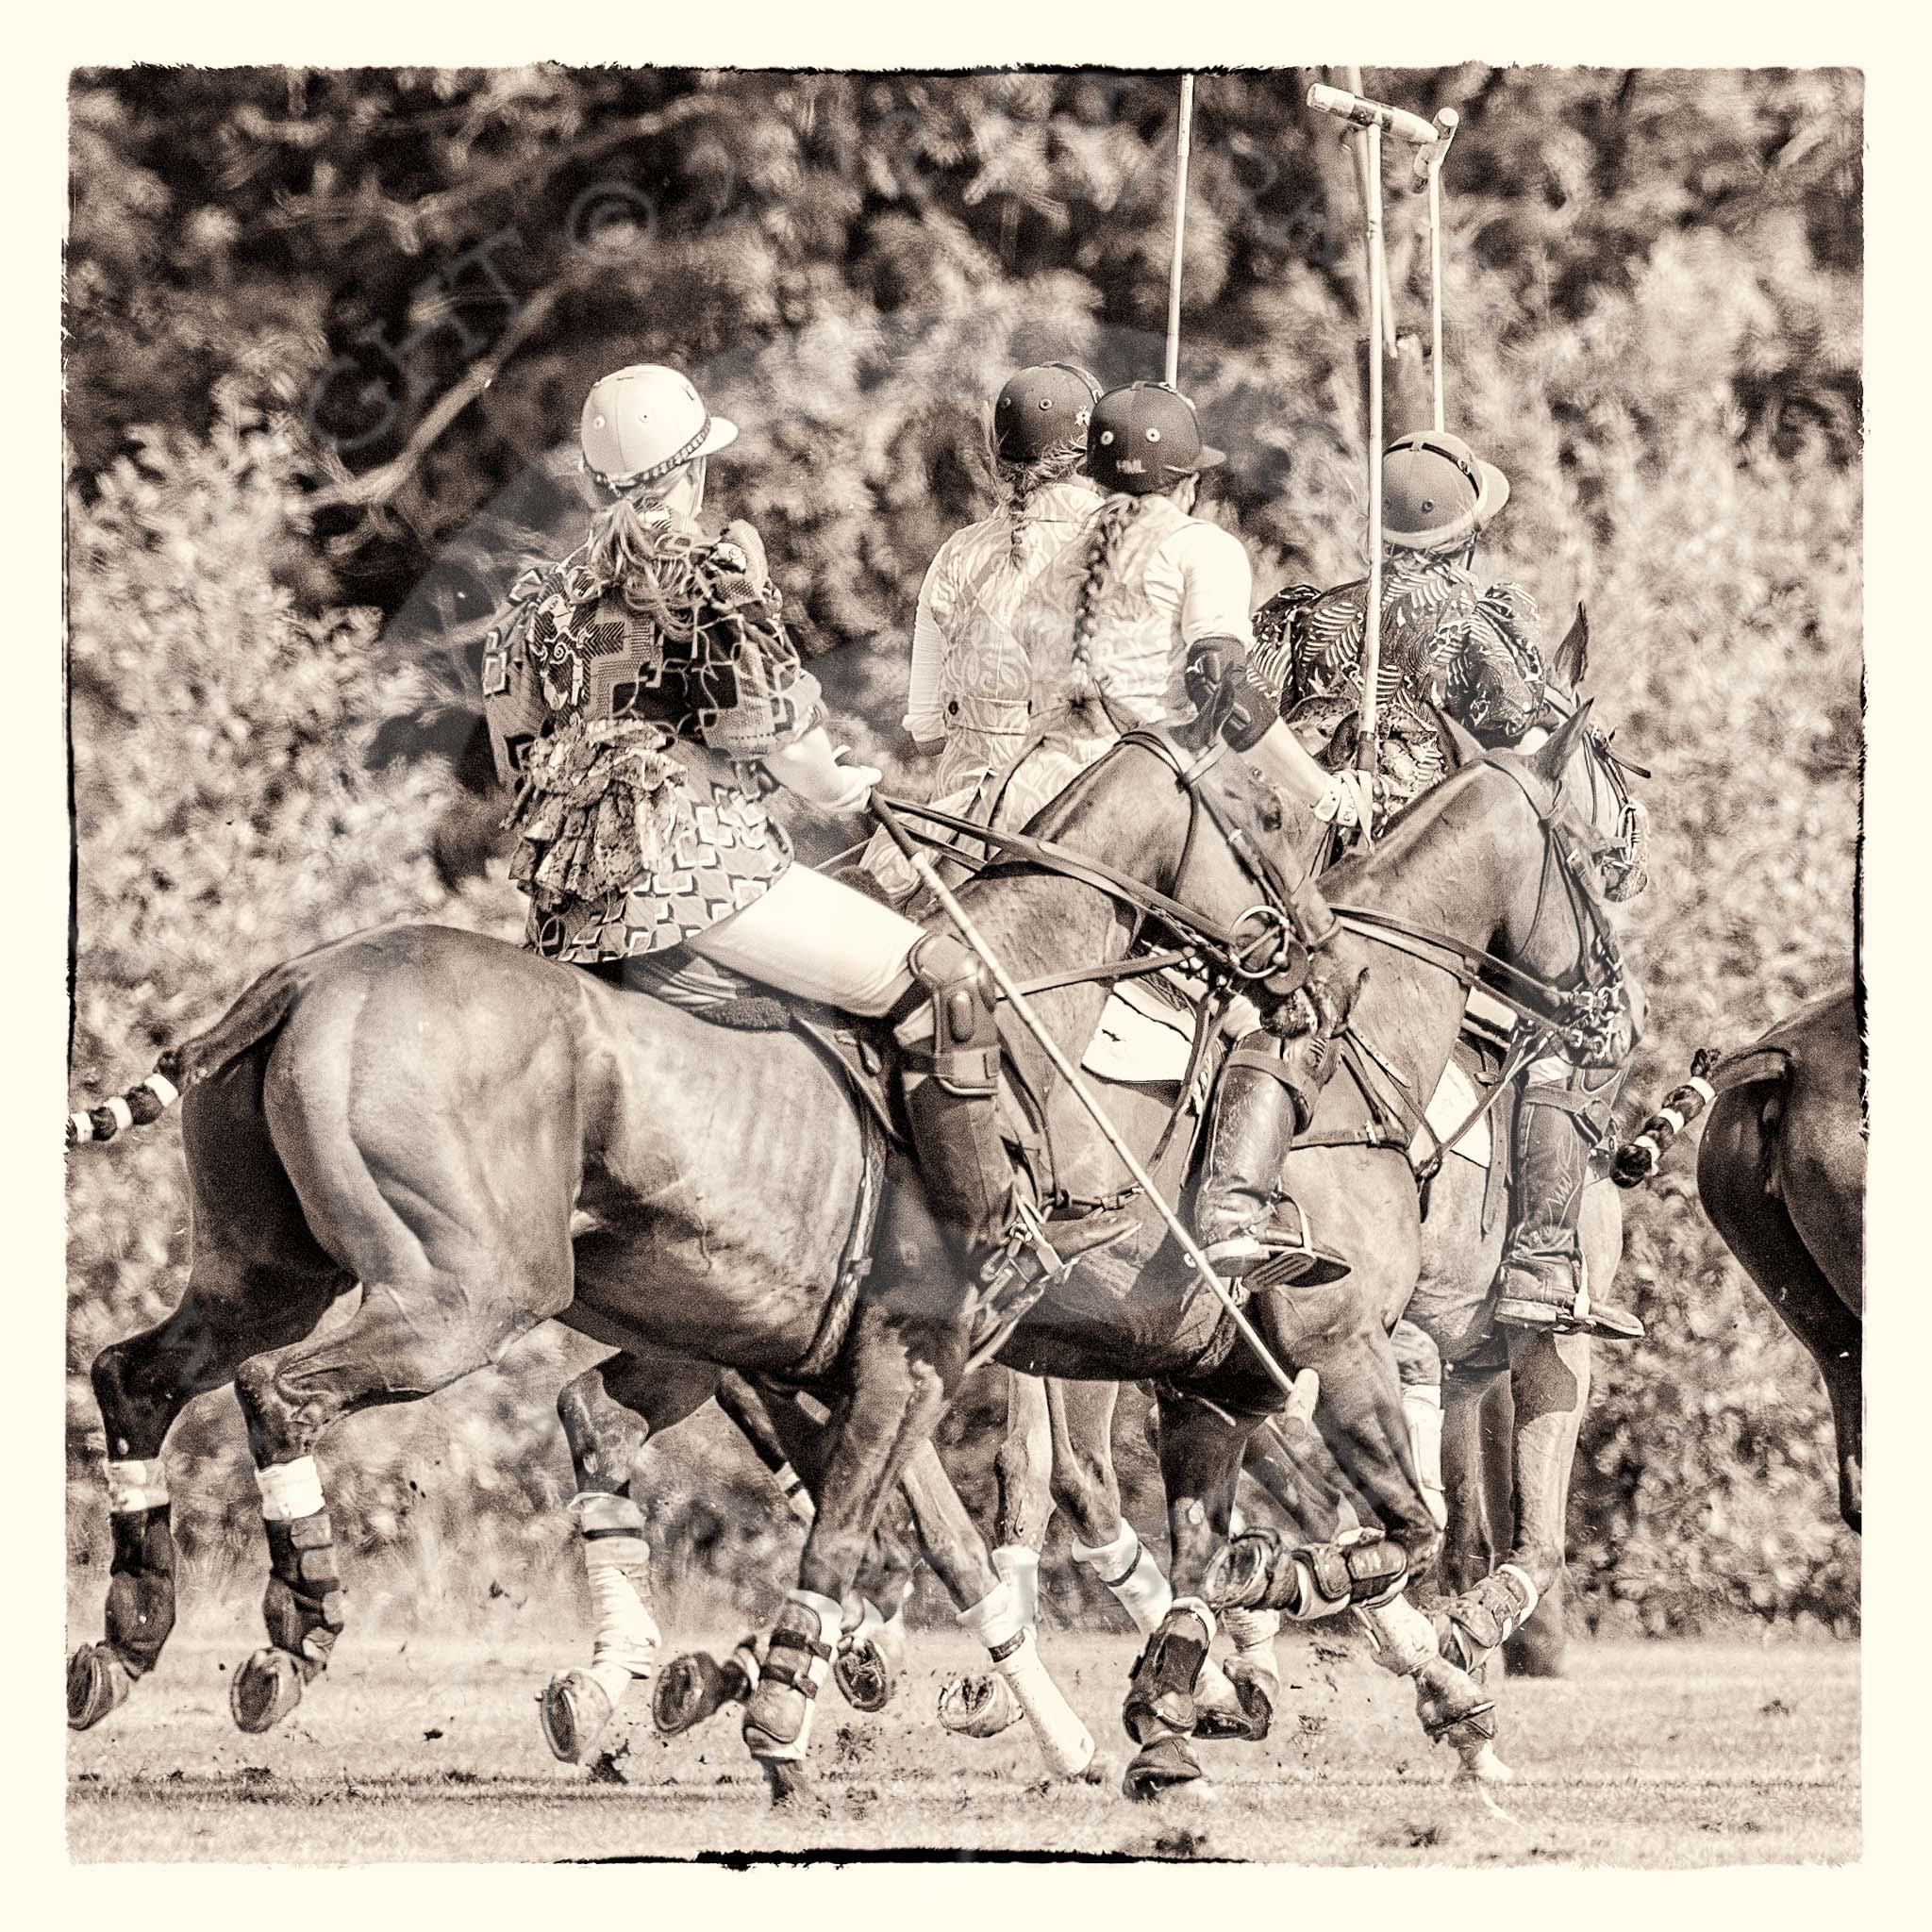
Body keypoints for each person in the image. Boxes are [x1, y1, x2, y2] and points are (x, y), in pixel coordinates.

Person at [479, 362, 1018, 1278]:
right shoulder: (700, 576)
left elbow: (513, 761)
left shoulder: (535, 606)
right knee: (944, 980)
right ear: (690, 472)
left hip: (568, 917)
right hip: (694, 884)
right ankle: (985, 1248)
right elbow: (779, 737)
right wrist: (844, 787)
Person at [1250, 430, 1647, 1340]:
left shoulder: (1297, 616)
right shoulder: (1477, 624)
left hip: (1301, 879)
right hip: (1429, 889)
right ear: (1464, 537)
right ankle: (1544, 1260)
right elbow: (1534, 767)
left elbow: (1247, 729)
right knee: (1589, 1018)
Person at [1007, 380, 1379, 1290]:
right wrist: (1322, 791)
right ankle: (1231, 1212)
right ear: (1190, 484)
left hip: (1029, 795)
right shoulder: (1200, 546)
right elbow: (1227, 691)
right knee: (1299, 982)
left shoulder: (1044, 551)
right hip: (1151, 804)